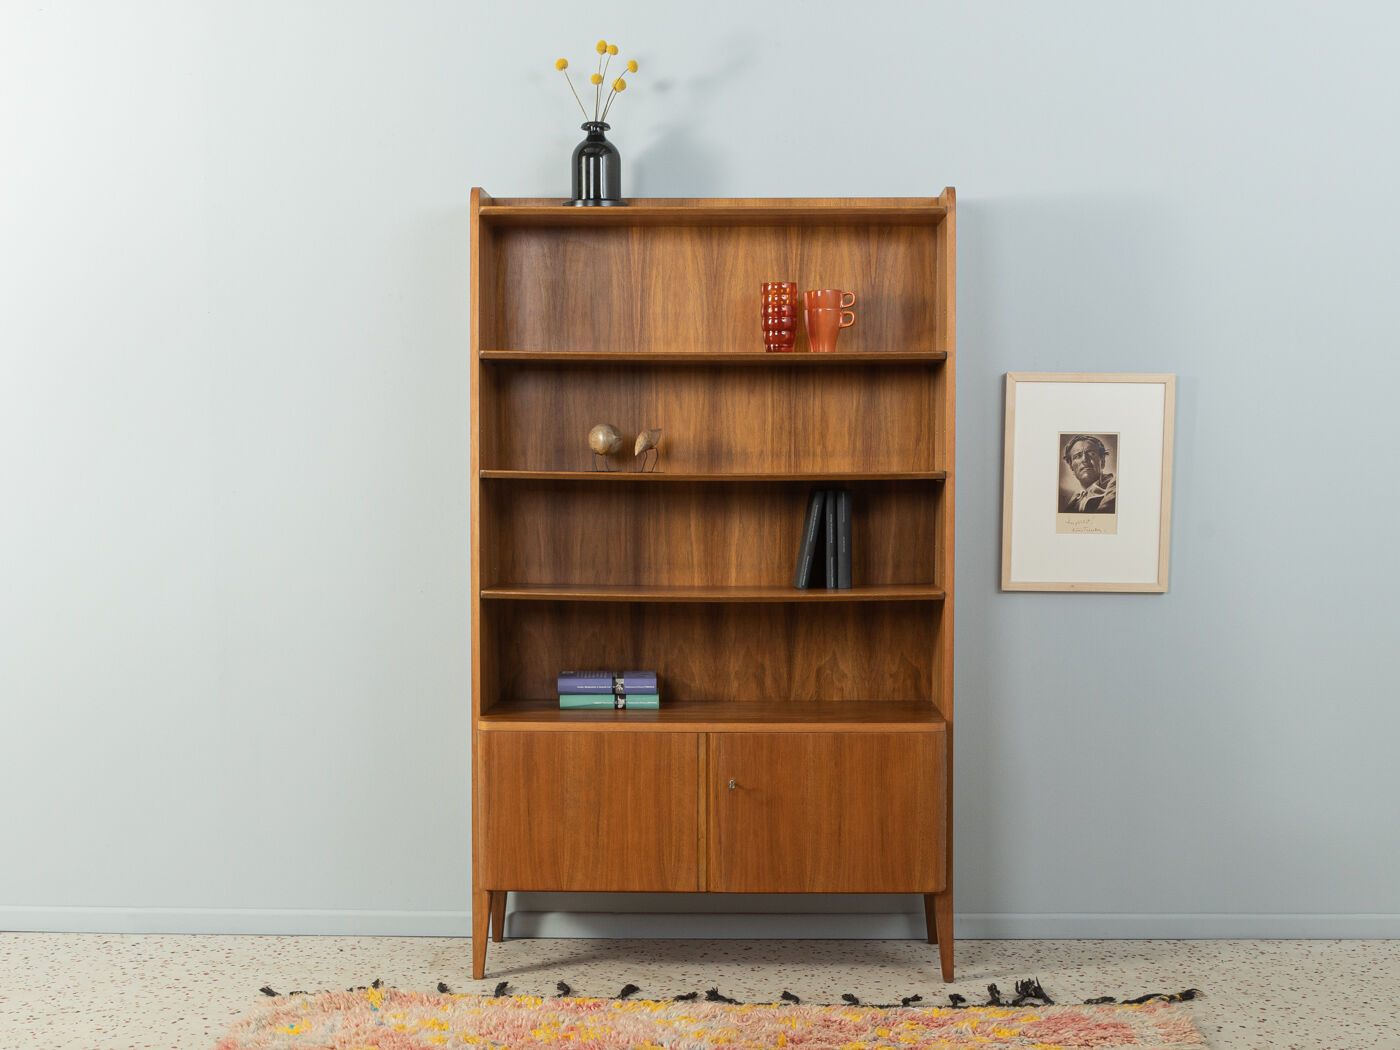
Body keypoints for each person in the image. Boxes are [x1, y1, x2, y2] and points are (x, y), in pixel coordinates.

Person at [1061, 435, 1116, 513]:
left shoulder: (1116, 488)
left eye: (1091, 454)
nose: (1084, 459)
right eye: (1078, 456)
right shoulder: (1074, 502)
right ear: (1071, 467)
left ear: (1102, 461)